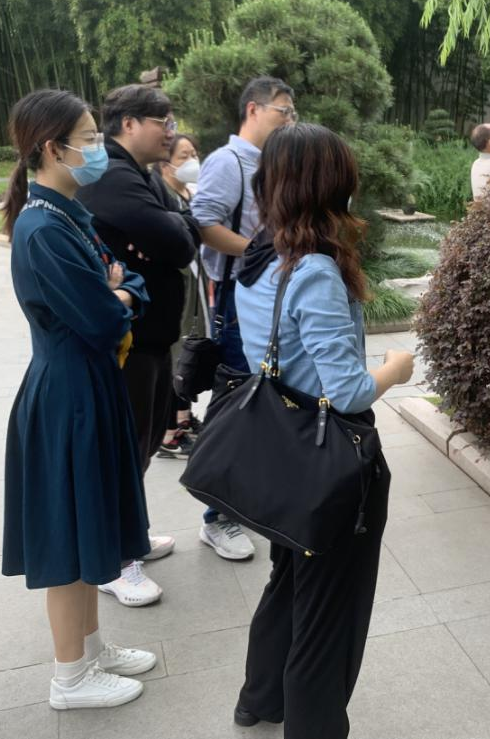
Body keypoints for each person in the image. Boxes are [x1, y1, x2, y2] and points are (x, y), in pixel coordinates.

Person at [231, 122, 415, 739]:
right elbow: (349, 390)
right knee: (327, 605)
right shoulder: (313, 269)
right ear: (329, 186)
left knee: (288, 577)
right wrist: (396, 367)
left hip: (282, 449)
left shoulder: (258, 257)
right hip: (329, 457)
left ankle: (261, 698)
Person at [0, 89, 157, 709]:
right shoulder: (43, 228)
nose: (98, 150)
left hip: (87, 386)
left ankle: (90, 649)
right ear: (51, 148)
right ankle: (70, 677)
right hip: (67, 396)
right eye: (89, 140)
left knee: (88, 523)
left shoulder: (68, 215)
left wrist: (119, 291)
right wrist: (116, 296)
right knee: (69, 535)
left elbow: (131, 280)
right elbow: (102, 318)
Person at [76, 84, 202, 604]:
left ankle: (130, 536)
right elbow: (177, 240)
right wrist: (174, 227)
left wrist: (175, 226)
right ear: (129, 123)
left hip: (152, 338)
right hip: (126, 341)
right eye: (162, 122)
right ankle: (112, 560)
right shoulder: (112, 172)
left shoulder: (143, 173)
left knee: (143, 444)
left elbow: (183, 229)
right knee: (122, 449)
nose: (171, 132)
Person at [189, 76, 296, 560]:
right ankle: (217, 517)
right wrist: (259, 253)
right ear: (253, 109)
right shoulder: (228, 162)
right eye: (282, 111)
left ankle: (245, 503)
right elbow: (203, 223)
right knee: (237, 400)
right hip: (237, 295)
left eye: (292, 113)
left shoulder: (273, 161)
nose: (288, 120)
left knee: (263, 397)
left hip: (268, 291)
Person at [154, 134, 204, 458]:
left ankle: (183, 417)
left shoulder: (190, 192)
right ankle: (168, 432)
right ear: (165, 163)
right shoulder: (163, 196)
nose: (192, 161)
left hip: (195, 284)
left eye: (194, 153)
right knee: (176, 352)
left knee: (189, 350)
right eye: (183, 156)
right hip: (177, 284)